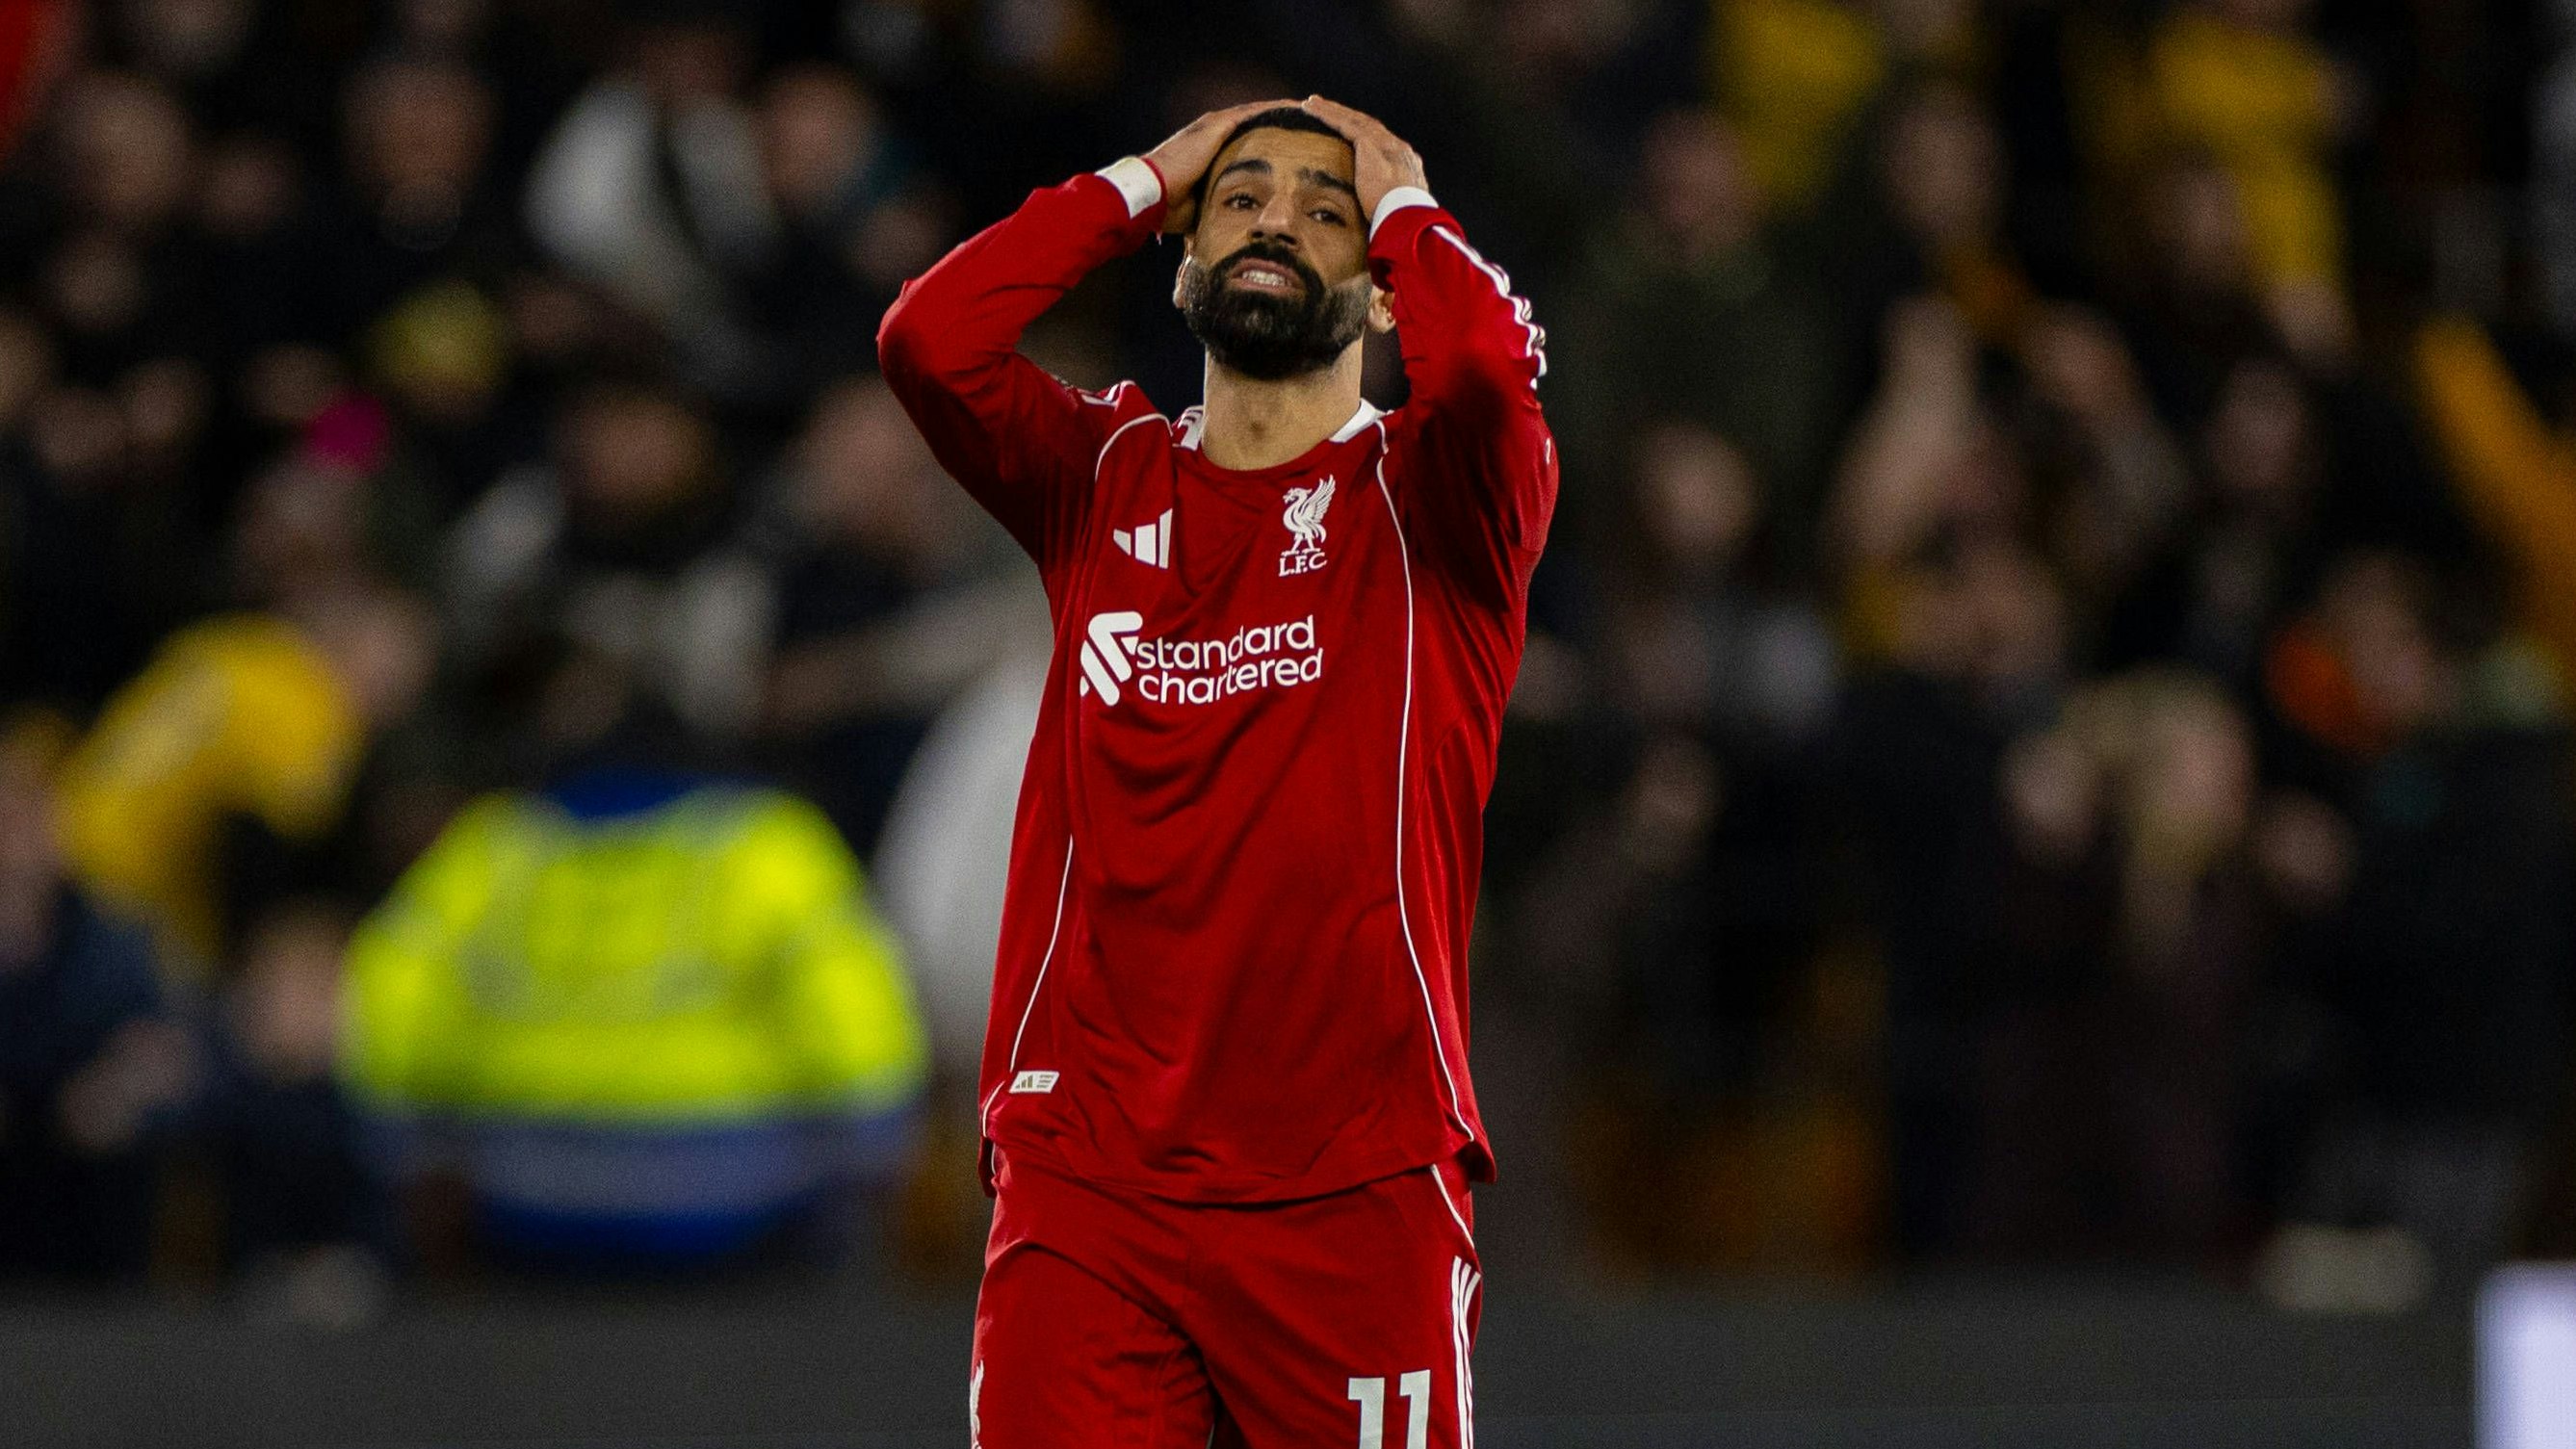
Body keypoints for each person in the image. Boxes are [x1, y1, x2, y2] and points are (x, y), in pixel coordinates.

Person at [879, 95, 1555, 1444]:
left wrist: (1409, 193)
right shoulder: (1099, 476)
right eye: (1242, 200)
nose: (1276, 225)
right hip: (1091, 1180)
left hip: (1354, 1178)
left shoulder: (1441, 502)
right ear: (1185, 259)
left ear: (1380, 293)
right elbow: (927, 342)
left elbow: (1483, 364)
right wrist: (1145, 176)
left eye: (1325, 212)